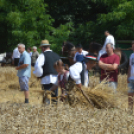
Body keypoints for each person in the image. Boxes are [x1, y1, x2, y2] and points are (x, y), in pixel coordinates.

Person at [127, 41, 134, 112]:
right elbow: (129, 67)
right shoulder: (131, 55)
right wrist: (128, 77)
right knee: (130, 95)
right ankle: (130, 110)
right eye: (132, 47)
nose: (133, 48)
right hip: (131, 78)